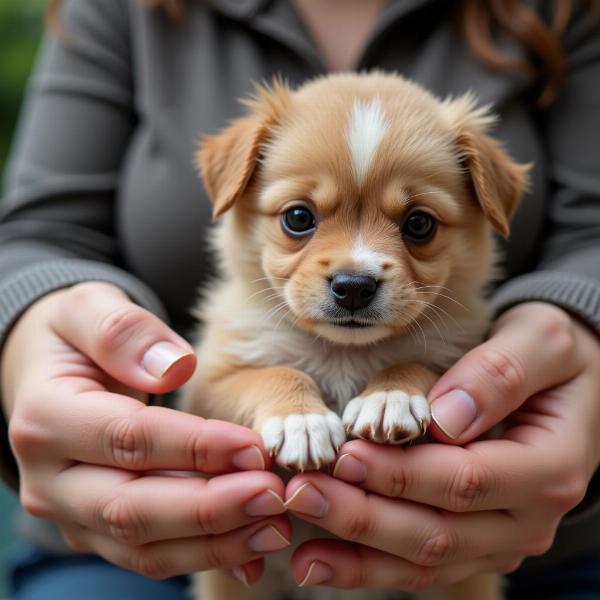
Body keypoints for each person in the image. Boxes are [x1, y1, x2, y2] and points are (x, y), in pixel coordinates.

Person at [1, 0, 600, 598]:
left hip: (508, 565)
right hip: (167, 558)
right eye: (298, 218)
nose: (356, 270)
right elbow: (42, 233)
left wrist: (420, 378)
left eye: (417, 226)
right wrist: (32, 330)